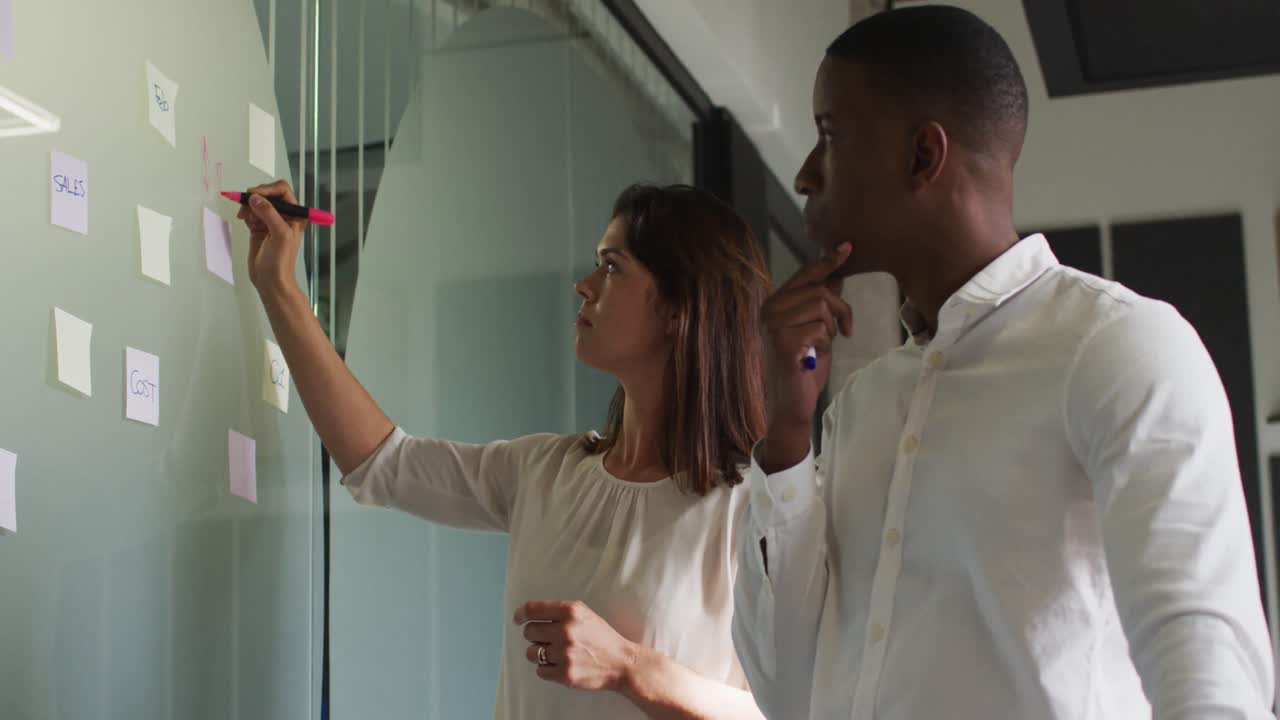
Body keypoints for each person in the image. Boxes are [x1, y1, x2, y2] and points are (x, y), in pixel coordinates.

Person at [732, 6, 1276, 720]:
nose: (805, 175)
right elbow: (789, 692)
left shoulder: (1116, 346)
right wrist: (785, 437)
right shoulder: (863, 402)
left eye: (829, 135)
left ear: (923, 156)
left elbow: (1207, 668)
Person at [237, 181, 768, 719]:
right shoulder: (546, 470)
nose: (584, 286)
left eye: (612, 267)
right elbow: (383, 463)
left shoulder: (750, 510)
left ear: (679, 308)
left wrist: (629, 667)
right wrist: (278, 286)